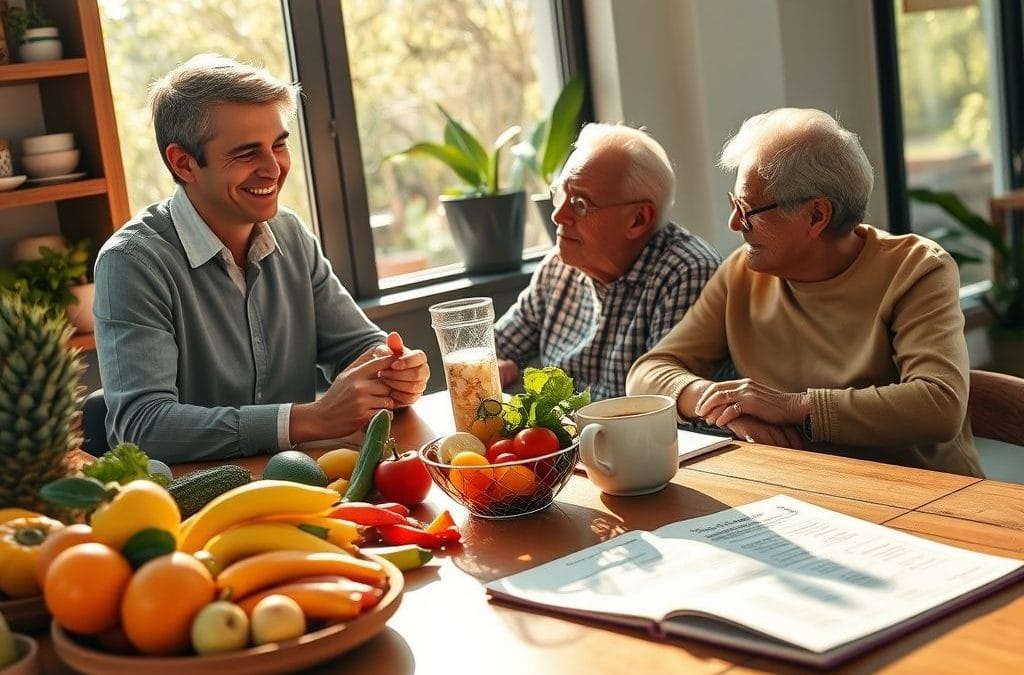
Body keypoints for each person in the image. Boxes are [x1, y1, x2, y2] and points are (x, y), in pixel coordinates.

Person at [93, 54, 429, 463]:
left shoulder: (291, 234)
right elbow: (143, 427)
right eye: (247, 153)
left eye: (279, 145)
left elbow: (358, 345)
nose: (273, 169)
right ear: (183, 163)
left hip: (305, 486)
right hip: (196, 506)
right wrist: (309, 419)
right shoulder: (131, 264)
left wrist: (393, 369)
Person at [626, 107, 982, 477]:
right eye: (734, 205)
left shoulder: (916, 268)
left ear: (816, 216)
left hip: (925, 496)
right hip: (803, 490)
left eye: (746, 209)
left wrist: (792, 406)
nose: (734, 224)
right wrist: (723, 406)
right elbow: (648, 372)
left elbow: (939, 405)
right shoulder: (741, 274)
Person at [494, 123, 720, 400]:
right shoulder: (558, 266)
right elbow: (495, 349)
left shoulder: (686, 272)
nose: (558, 216)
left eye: (579, 204)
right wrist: (495, 369)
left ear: (638, 219)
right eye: (560, 194)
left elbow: (661, 408)